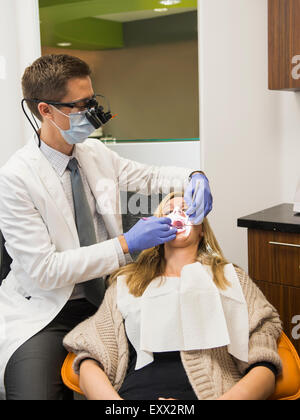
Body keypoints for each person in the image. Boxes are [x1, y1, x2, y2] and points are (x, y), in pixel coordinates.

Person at [0, 54, 212, 400]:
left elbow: (151, 176)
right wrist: (125, 244)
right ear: (45, 110)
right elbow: (44, 271)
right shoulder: (15, 179)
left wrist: (194, 176)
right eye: (80, 105)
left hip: (110, 303)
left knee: (158, 382)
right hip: (47, 313)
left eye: (92, 100)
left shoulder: (96, 154)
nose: (92, 112)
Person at [64, 192, 282, 401]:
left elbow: (264, 360)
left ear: (202, 229)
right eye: (169, 212)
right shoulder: (128, 283)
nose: (178, 215)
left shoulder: (231, 278)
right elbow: (90, 358)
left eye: (187, 210)